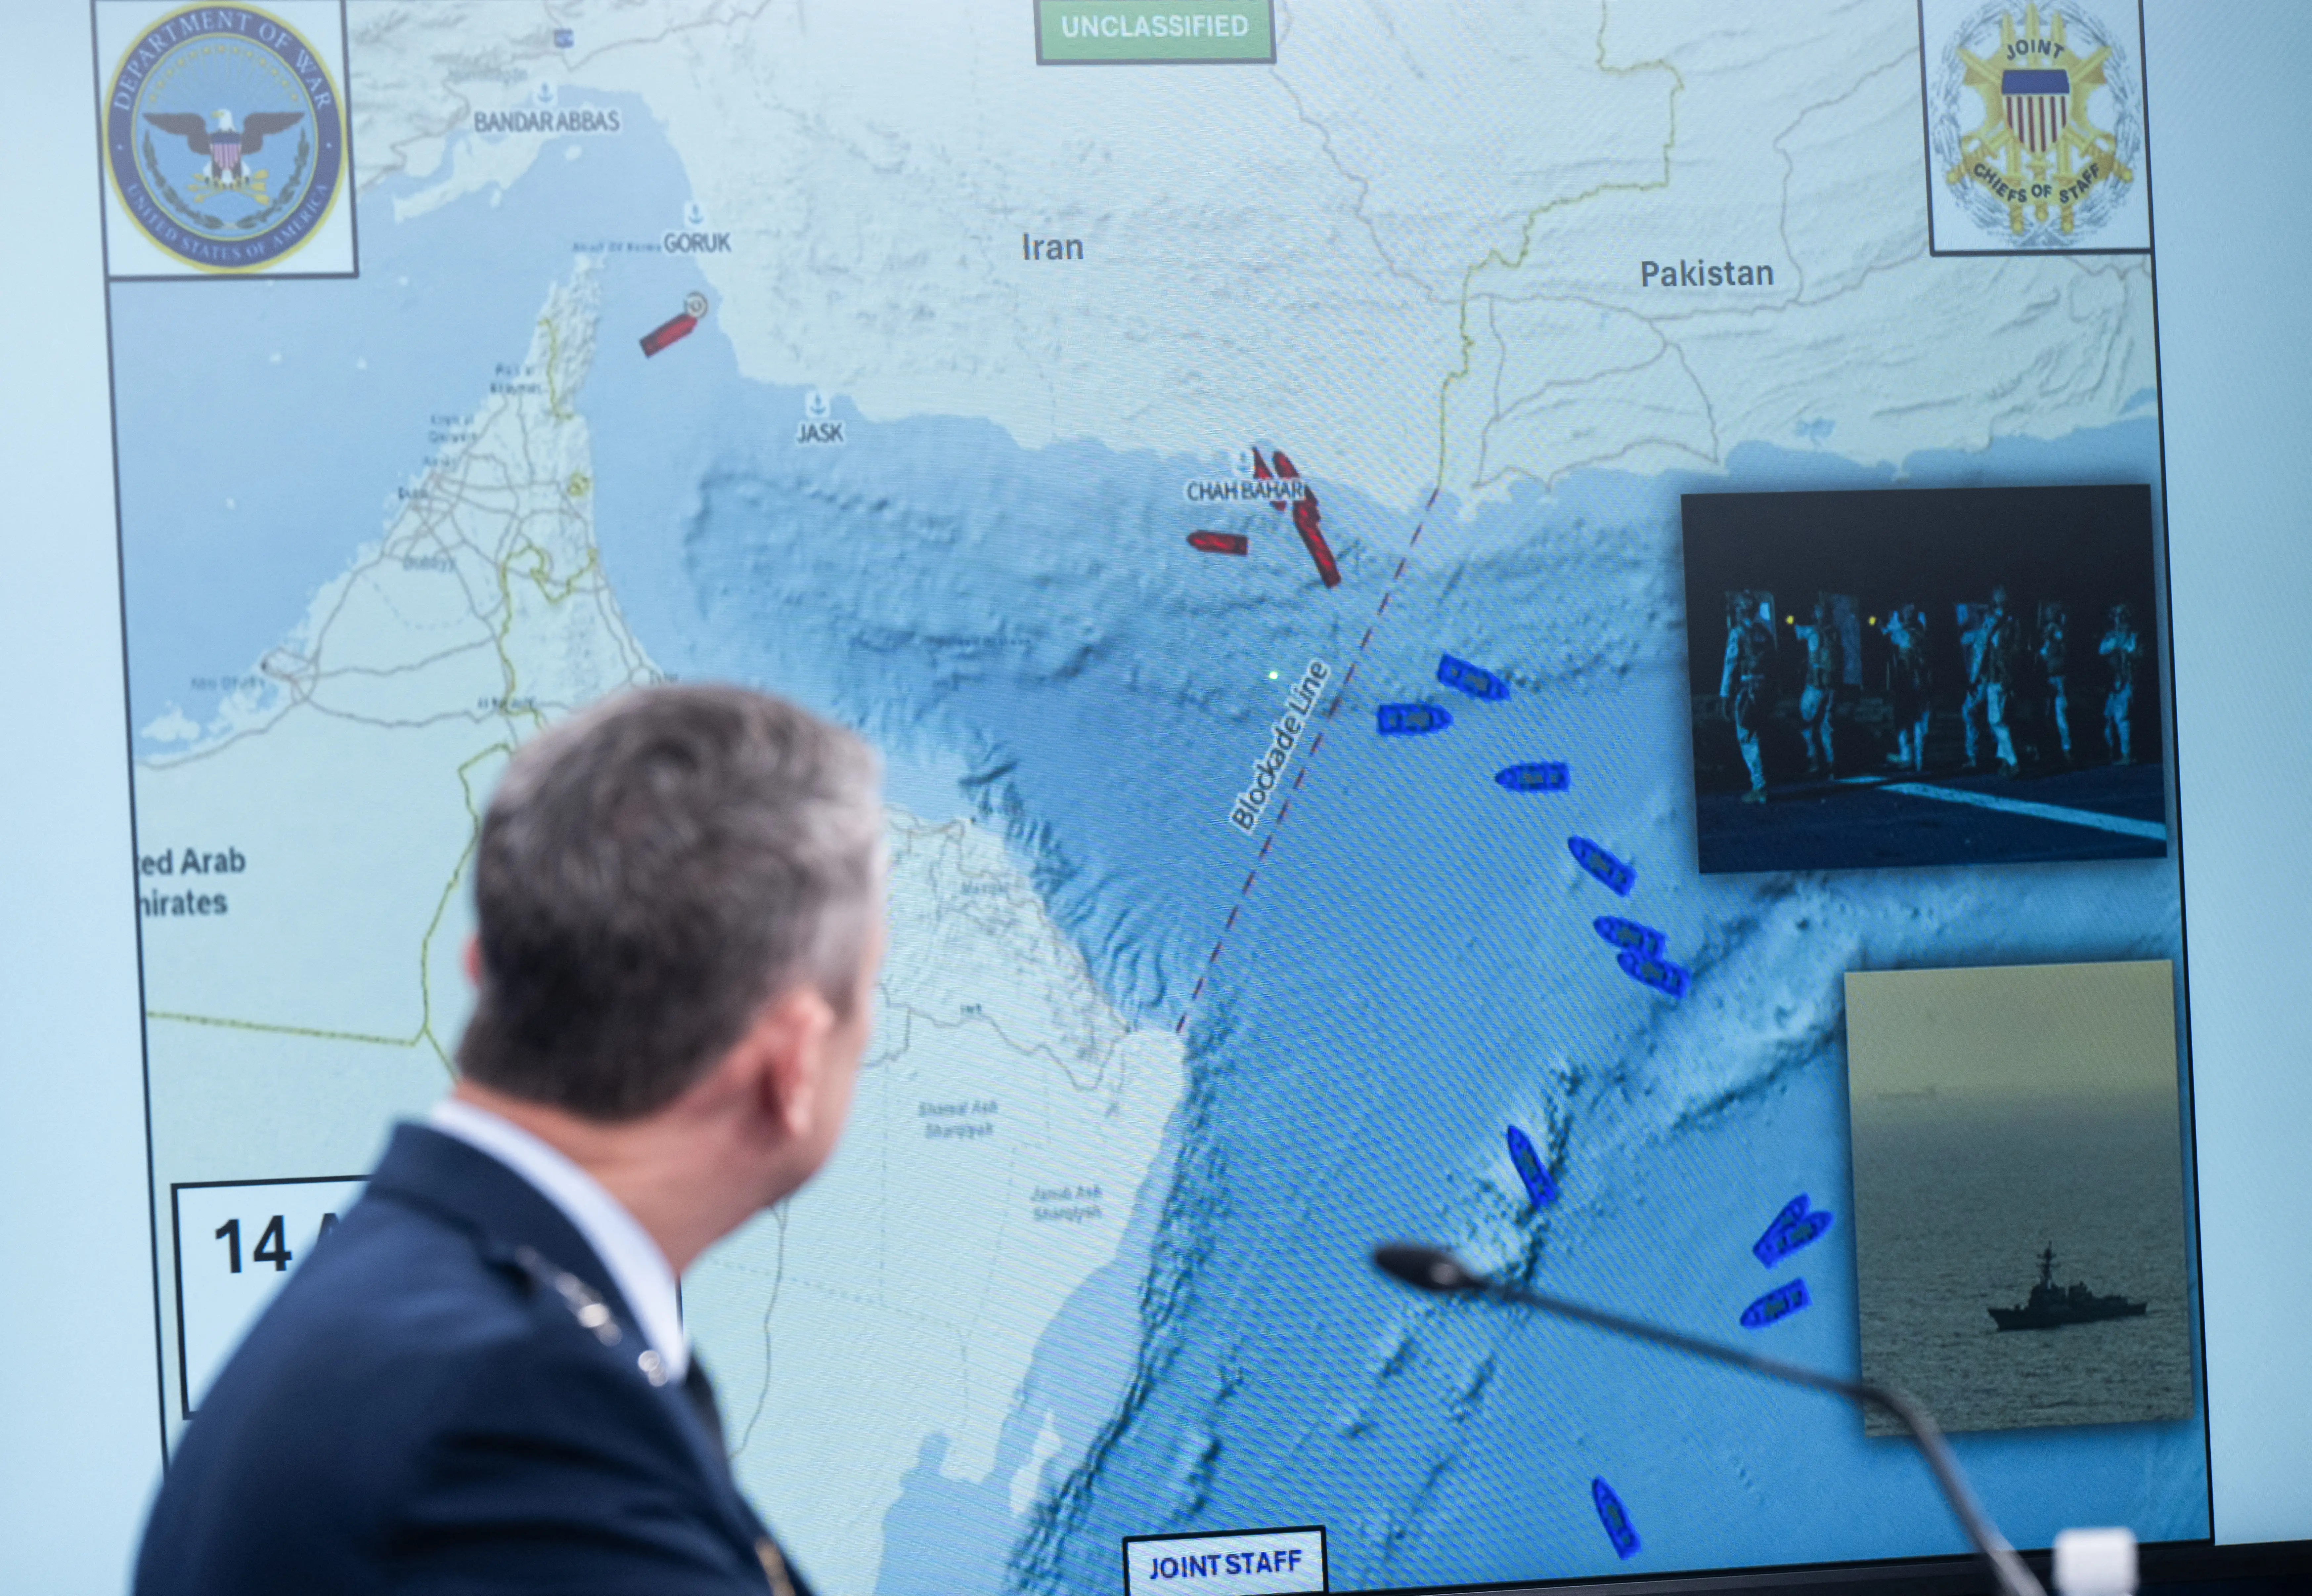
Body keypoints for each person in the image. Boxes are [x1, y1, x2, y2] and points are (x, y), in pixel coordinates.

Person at [134, 685, 886, 1596]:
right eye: (869, 989)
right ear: (791, 1061)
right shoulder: (513, 1423)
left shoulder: (428, 1313)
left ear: (483, 971)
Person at [1719, 596, 1775, 803]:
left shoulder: (1738, 633)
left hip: (1747, 689)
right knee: (1760, 734)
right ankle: (1764, 782)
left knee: (1747, 737)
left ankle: (1760, 787)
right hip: (1765, 690)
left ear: (1742, 611)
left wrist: (1725, 695)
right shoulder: (1765, 633)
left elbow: (1730, 664)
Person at [1962, 586, 2021, 775]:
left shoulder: (1992, 622)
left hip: (1995, 676)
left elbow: (1981, 651)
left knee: (1996, 720)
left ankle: (2012, 761)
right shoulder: (2014, 622)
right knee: (2002, 717)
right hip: (2007, 676)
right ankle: (2004, 760)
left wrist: (1973, 679)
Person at [1792, 597, 1842, 778]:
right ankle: (1831, 764)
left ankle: (1813, 761)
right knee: (1827, 726)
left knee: (1806, 722)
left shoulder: (1812, 631)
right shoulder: (1835, 632)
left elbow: (1796, 631)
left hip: (1815, 684)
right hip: (1831, 684)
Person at [1883, 602, 1932, 772]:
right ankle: (1920, 758)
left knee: (1904, 720)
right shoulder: (1922, 634)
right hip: (1921, 682)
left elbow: (1887, 633)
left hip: (1907, 682)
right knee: (1919, 720)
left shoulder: (1902, 635)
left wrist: (1893, 621)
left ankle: (1908, 756)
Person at [2101, 602, 2145, 763]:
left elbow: (2136, 653)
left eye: (2121, 616)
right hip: (2112, 683)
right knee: (2109, 718)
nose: (2118, 619)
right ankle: (2113, 752)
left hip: (2126, 681)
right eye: (2116, 616)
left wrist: (2123, 645)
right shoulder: (2111, 636)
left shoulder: (2133, 636)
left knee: (2122, 718)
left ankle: (2127, 754)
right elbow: (2103, 650)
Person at [2037, 600, 2072, 763]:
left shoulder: (2058, 631)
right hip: (2047, 678)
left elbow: (2060, 644)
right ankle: (2051, 750)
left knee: (2061, 714)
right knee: (2048, 715)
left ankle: (2067, 750)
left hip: (2058, 677)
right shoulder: (2046, 632)